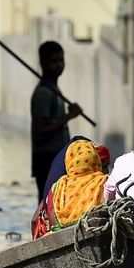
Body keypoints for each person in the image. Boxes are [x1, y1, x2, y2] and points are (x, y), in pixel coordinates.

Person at [31, 41, 81, 203]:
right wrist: (69, 116)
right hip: (47, 159)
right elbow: (41, 129)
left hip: (56, 158)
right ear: (43, 63)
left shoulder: (54, 89)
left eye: (61, 60)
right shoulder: (44, 93)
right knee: (47, 204)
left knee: (58, 203)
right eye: (54, 61)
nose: (59, 65)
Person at [33, 139, 107, 237]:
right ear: (96, 159)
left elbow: (50, 216)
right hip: (96, 232)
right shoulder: (104, 181)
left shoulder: (58, 186)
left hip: (60, 234)